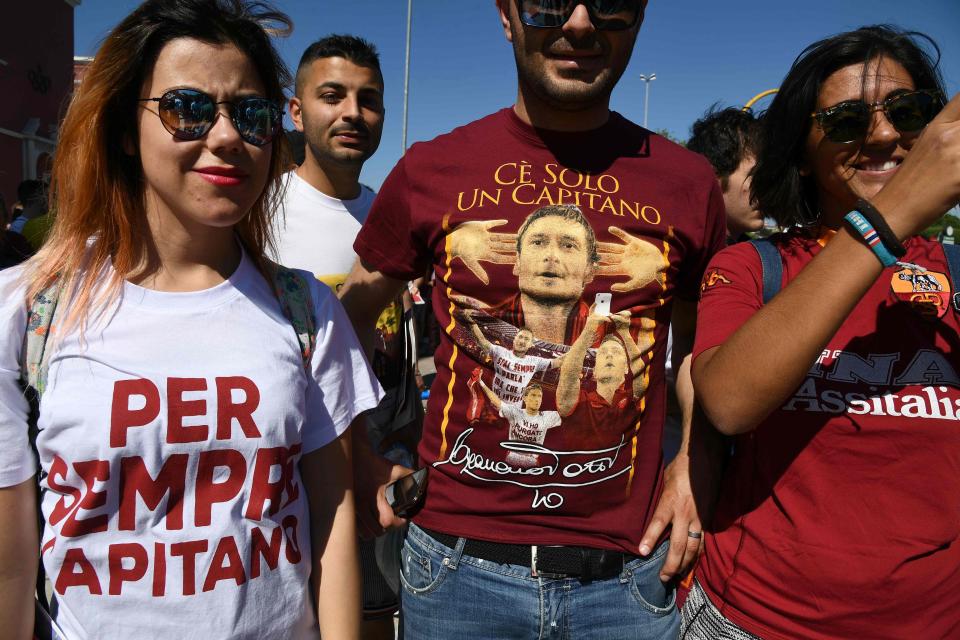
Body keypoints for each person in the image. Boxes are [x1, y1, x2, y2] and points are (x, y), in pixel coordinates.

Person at [340, 1, 727, 637]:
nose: (578, 24)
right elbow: (347, 319)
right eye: (548, 2)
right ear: (506, 14)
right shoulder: (432, 168)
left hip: (628, 579)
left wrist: (693, 464)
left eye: (609, 4)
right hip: (455, 572)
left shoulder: (687, 182)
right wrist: (359, 453)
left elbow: (699, 346)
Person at [0, 1, 382, 638]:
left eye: (251, 114)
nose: (228, 136)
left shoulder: (307, 312)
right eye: (188, 108)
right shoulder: (25, 311)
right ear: (127, 129)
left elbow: (331, 520)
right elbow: (10, 570)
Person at [683, 25, 960, 639]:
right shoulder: (755, 266)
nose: (884, 135)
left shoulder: (954, 274)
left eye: (907, 112)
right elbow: (727, 403)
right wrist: (884, 223)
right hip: (756, 620)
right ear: (802, 152)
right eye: (845, 121)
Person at [271, 34, 413, 639]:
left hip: (383, 454)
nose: (353, 112)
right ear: (297, 111)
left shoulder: (391, 214)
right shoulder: (261, 214)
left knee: (376, 613)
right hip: (300, 465)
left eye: (369, 99)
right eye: (333, 96)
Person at [687, 106, 764, 241]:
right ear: (712, 175)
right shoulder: (677, 250)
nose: (769, 190)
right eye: (755, 175)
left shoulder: (758, 256)